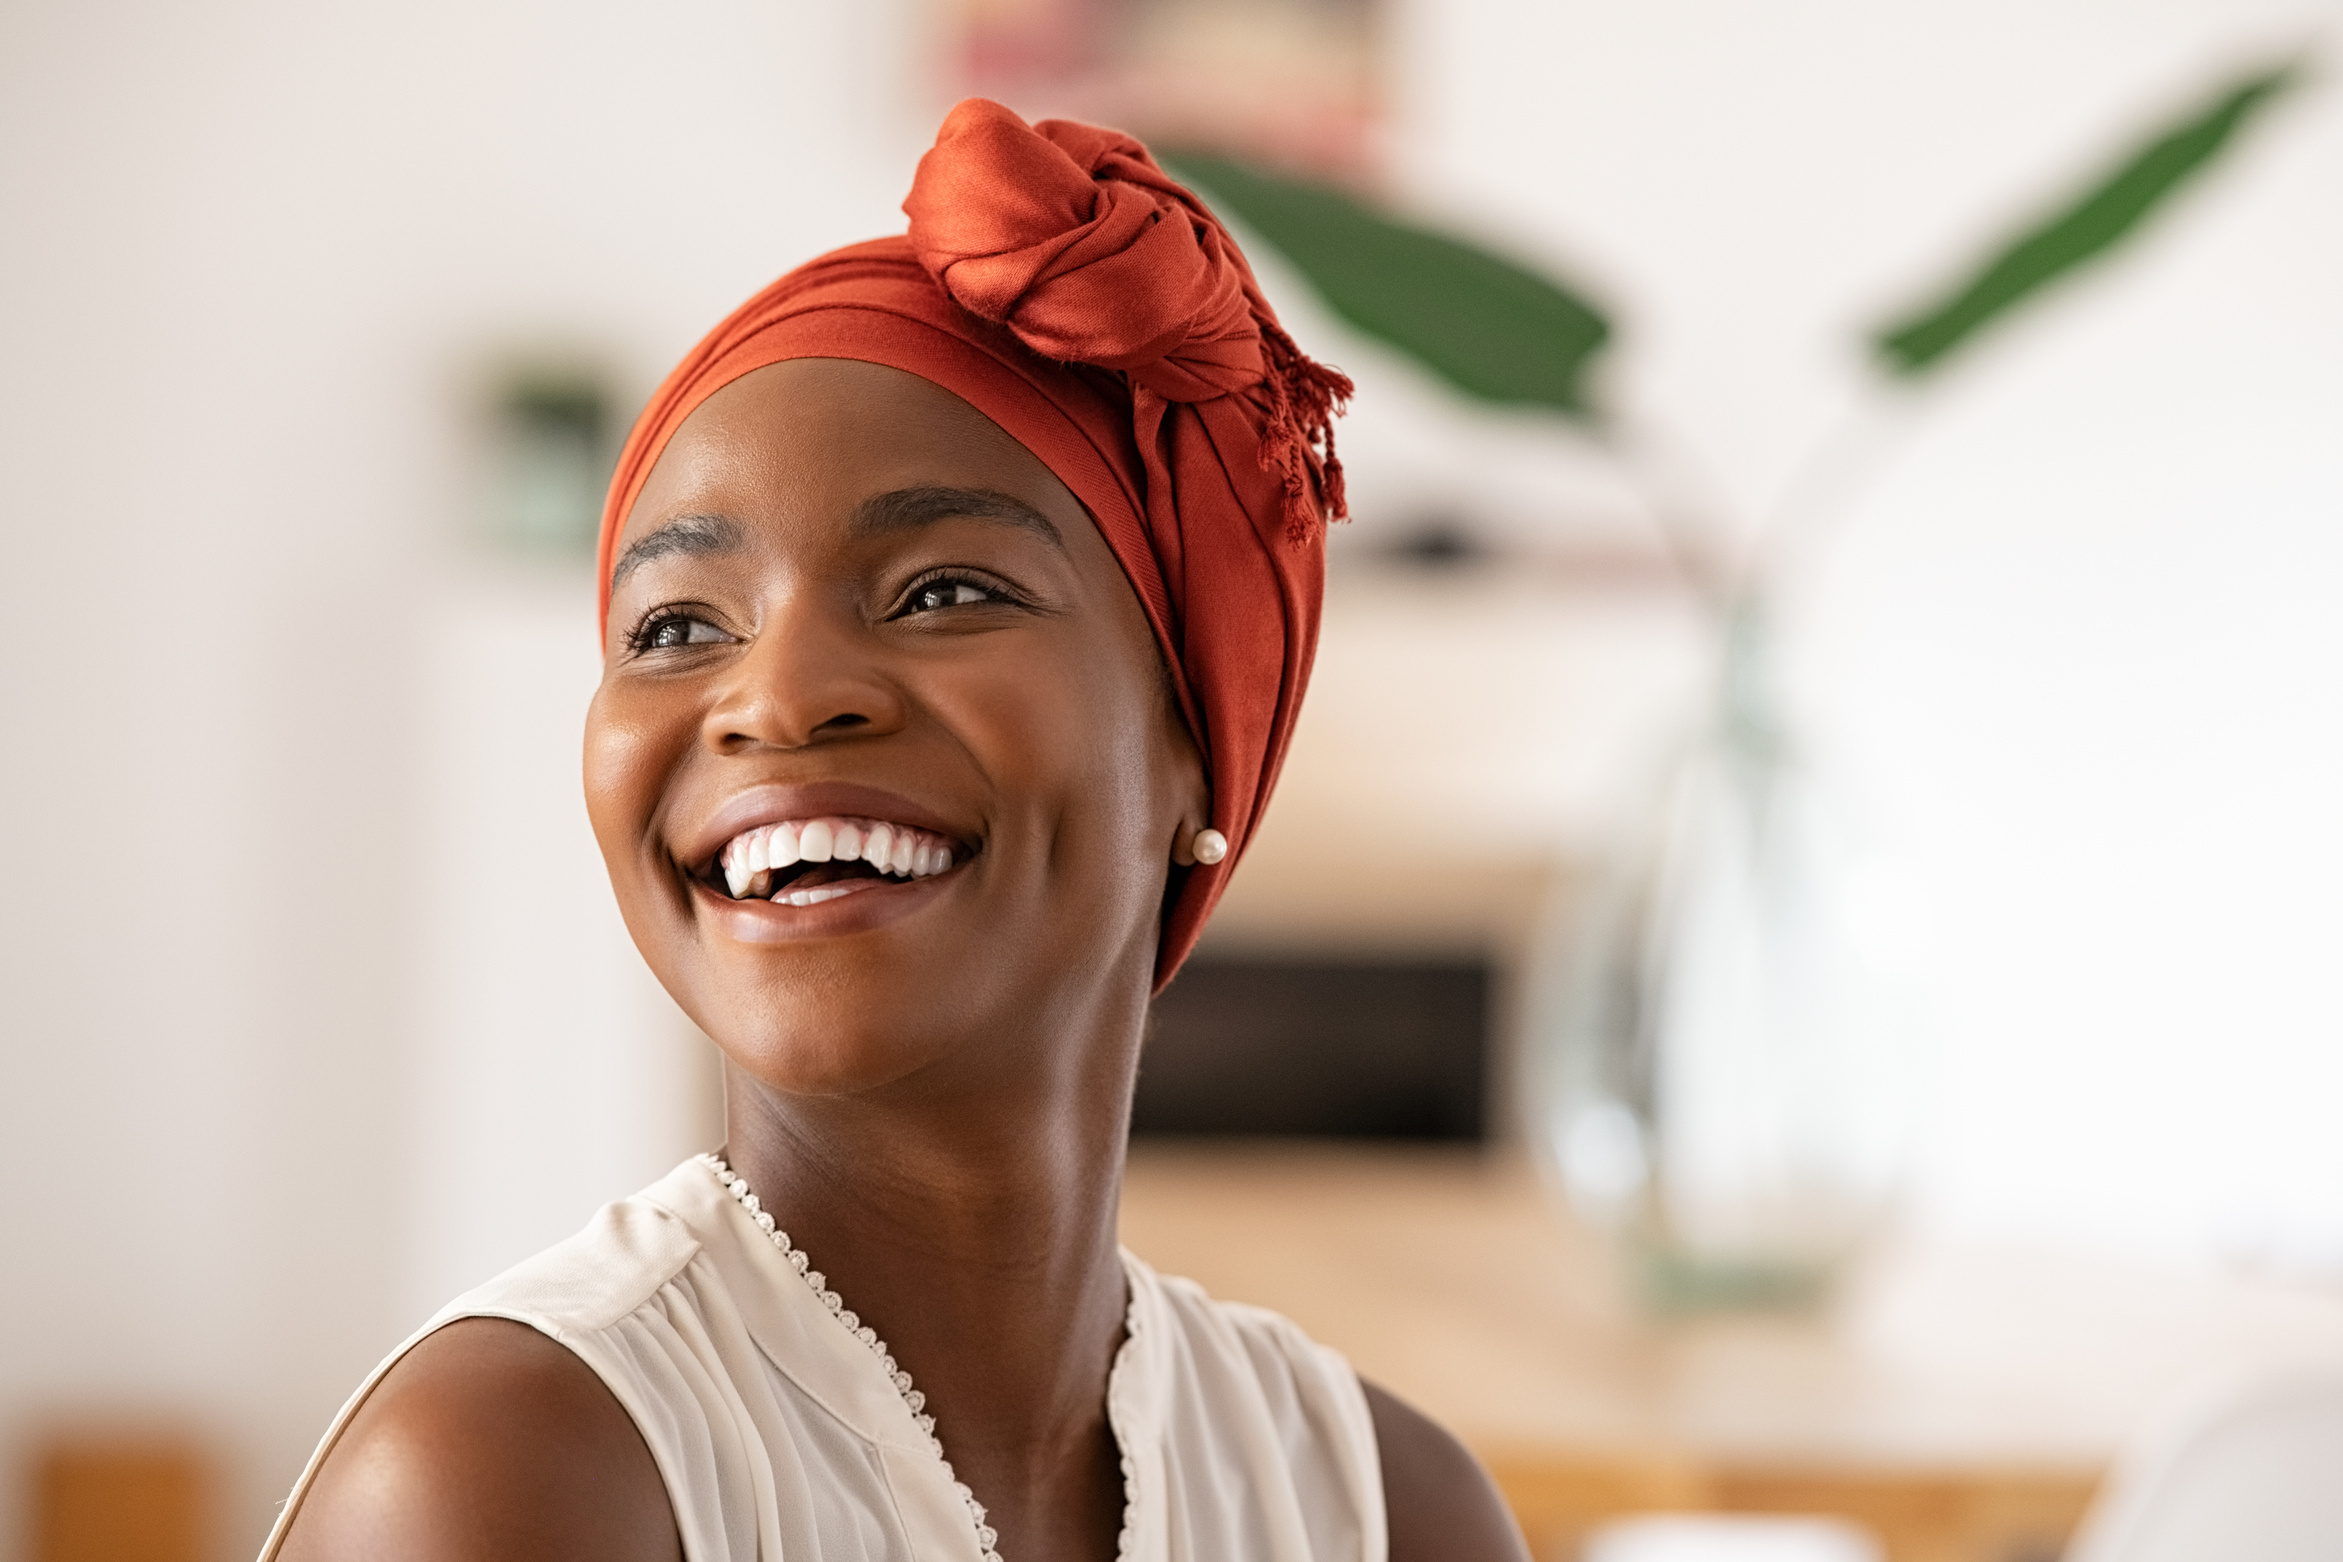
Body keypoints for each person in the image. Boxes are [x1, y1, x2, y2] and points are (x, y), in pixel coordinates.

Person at [265, 100, 1529, 1562]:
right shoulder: (513, 1476)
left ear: (1194, 746)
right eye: (677, 625)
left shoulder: (1384, 1509)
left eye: (943, 591)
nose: (777, 697)